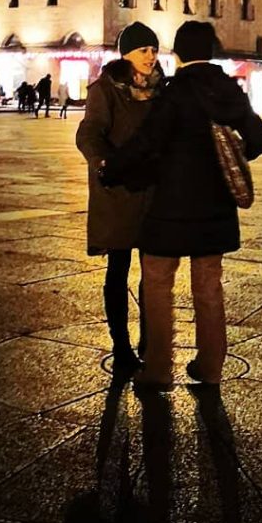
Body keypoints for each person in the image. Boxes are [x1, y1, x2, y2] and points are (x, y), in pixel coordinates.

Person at [101, 20, 262, 389]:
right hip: (217, 210)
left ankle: (159, 368)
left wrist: (111, 168)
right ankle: (210, 367)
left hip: (171, 210)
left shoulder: (176, 92)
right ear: (211, 52)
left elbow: (147, 142)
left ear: (178, 54)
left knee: (158, 280)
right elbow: (261, 138)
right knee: (209, 285)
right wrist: (233, 155)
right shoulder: (230, 90)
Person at [76, 22, 164, 371]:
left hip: (153, 192)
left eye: (154, 50)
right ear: (126, 54)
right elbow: (89, 132)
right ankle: (121, 345)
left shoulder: (160, 89)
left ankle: (150, 341)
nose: (151, 57)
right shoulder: (106, 89)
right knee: (119, 269)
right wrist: (103, 163)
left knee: (153, 272)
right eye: (144, 50)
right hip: (119, 192)